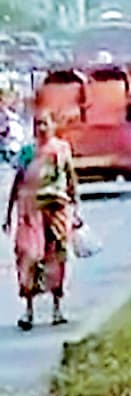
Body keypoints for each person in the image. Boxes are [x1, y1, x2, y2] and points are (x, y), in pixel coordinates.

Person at [8, 112, 79, 330]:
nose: (41, 128)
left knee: (57, 257)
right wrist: (8, 214)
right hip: (31, 213)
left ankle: (57, 310)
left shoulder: (61, 150)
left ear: (53, 126)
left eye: (44, 124)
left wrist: (75, 207)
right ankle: (28, 311)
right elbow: (18, 181)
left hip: (56, 210)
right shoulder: (28, 153)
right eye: (37, 124)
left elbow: (70, 178)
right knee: (28, 257)